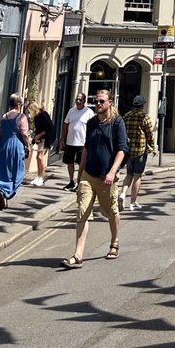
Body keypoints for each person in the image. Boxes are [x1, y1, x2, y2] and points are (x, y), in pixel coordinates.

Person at [60, 88, 127, 269]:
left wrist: (113, 172)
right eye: (96, 101)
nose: (98, 104)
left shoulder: (117, 122)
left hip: (107, 176)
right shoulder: (91, 123)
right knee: (82, 212)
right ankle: (78, 255)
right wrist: (80, 174)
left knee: (111, 211)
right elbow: (86, 149)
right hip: (88, 175)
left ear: (110, 103)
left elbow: (122, 149)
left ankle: (114, 241)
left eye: (101, 101)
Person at [0, 94, 30, 210]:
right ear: (19, 105)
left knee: (2, 171)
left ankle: (1, 191)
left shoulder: (3, 117)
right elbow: (24, 134)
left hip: (3, 146)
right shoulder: (21, 117)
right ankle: (6, 191)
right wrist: (28, 146)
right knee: (17, 172)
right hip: (16, 146)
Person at [122, 95, 156, 211]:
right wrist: (152, 147)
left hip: (128, 150)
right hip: (140, 151)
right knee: (137, 176)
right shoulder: (144, 117)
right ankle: (132, 202)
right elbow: (149, 134)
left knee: (129, 174)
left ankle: (122, 194)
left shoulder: (126, 116)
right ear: (142, 106)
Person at [60, 92, 94, 191]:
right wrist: (63, 139)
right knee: (69, 162)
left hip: (82, 143)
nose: (78, 101)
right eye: (77, 99)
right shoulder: (71, 111)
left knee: (81, 164)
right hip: (70, 141)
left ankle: (80, 183)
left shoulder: (89, 112)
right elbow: (65, 125)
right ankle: (71, 181)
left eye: (80, 100)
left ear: (84, 101)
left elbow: (92, 128)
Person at [30, 104, 55, 186]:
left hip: (46, 138)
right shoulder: (37, 117)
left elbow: (49, 128)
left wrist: (39, 135)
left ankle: (41, 177)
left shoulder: (43, 115)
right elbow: (38, 128)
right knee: (38, 157)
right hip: (41, 138)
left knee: (40, 157)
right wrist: (35, 133)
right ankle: (38, 176)